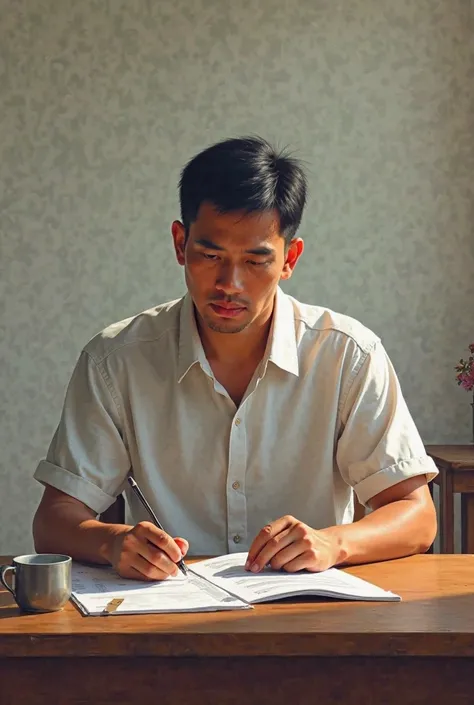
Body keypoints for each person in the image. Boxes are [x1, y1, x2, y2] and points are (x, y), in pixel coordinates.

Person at [33, 136, 438, 582]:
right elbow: (54, 520)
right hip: (165, 617)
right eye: (210, 255)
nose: (231, 283)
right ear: (179, 243)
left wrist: (333, 542)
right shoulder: (115, 360)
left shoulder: (347, 355)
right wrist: (112, 542)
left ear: (290, 259)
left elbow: (416, 515)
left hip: (308, 616)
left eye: (255, 260)